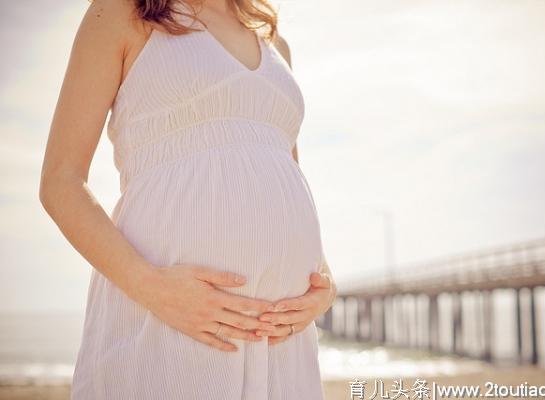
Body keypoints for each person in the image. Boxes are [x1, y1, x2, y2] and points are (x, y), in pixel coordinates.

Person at [38, 0, 337, 398]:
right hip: (170, 314)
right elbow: (61, 181)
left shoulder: (273, 41)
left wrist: (323, 280)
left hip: (281, 339)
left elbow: (284, 171)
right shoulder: (120, 13)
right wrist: (151, 288)